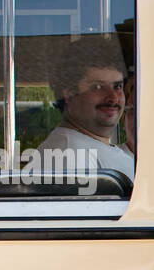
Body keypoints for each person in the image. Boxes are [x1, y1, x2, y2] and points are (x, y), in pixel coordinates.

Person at [37, 35, 135, 181]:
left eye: (117, 86)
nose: (113, 98)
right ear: (69, 94)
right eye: (98, 87)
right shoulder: (70, 155)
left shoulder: (88, 148)